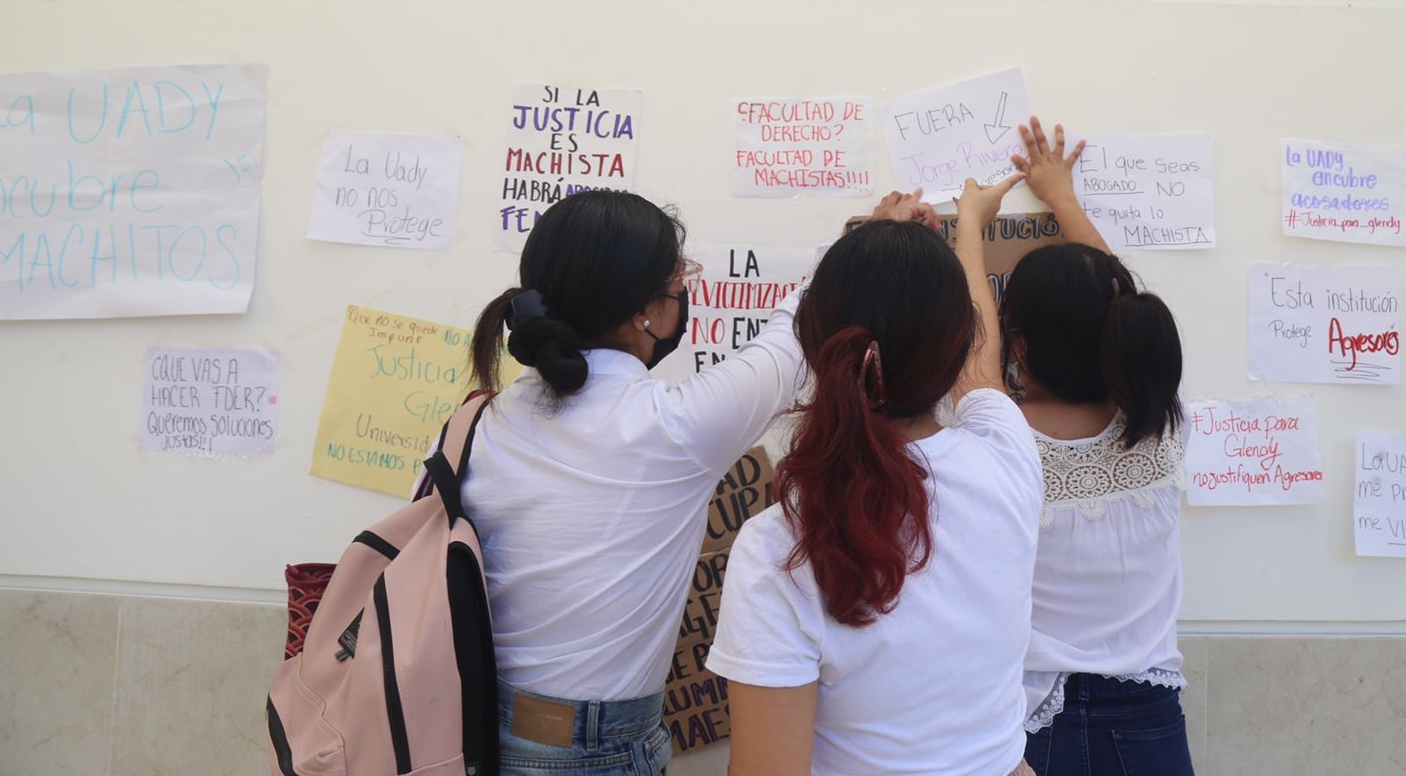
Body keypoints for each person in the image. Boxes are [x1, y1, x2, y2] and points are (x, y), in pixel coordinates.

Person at [458, 187, 937, 776]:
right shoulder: (672, 430)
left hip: (465, 732)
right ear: (647, 311)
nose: (685, 290)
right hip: (596, 751)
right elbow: (793, 334)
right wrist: (866, 238)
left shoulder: (472, 425)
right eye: (679, 278)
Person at [706, 176, 1044, 776]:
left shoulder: (778, 548)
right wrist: (971, 225)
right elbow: (981, 370)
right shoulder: (1007, 455)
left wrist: (866, 240)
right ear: (960, 340)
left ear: (813, 346)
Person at [1003, 118, 1195, 776]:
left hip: (1025, 725)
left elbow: (970, 346)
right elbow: (1121, 298)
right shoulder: (1162, 422)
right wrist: (1064, 200)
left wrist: (963, 231)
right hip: (1147, 719)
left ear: (1018, 345)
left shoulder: (996, 437)